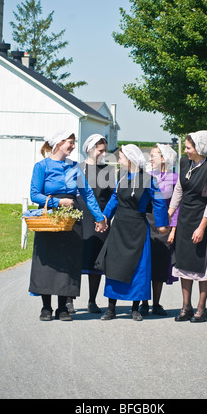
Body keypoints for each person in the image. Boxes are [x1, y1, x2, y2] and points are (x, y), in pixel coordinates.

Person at [28, 130, 107, 321]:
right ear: (58, 144)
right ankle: (46, 307)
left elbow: (87, 193)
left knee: (67, 262)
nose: (72, 146)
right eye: (69, 142)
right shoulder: (42, 166)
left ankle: (63, 307)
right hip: (48, 217)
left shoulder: (74, 167)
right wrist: (58, 202)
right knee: (47, 262)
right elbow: (34, 194)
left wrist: (99, 217)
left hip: (72, 219)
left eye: (73, 143)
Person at [96, 144, 169, 321]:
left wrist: (161, 224)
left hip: (137, 228)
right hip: (119, 228)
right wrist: (104, 218)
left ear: (130, 159)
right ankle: (111, 309)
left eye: (120, 157)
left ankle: (135, 308)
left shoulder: (149, 179)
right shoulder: (121, 178)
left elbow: (159, 200)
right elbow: (114, 200)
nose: (118, 160)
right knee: (115, 266)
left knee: (138, 268)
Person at [168, 130, 207, 323]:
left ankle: (201, 308)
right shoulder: (184, 164)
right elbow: (179, 190)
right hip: (185, 219)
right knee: (184, 263)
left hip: (202, 220)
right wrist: (170, 213)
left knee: (202, 264)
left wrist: (202, 228)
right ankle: (186, 307)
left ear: (200, 148)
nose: (187, 151)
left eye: (189, 148)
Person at [74, 134, 115, 314]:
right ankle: (69, 300)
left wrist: (105, 218)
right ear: (90, 149)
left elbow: (114, 197)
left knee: (96, 261)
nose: (104, 153)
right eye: (101, 150)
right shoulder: (78, 169)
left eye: (105, 150)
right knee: (75, 259)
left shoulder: (108, 171)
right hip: (81, 217)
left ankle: (92, 300)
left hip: (101, 218)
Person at [140, 143, 179, 317]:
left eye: (153, 155)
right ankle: (143, 303)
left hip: (164, 225)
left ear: (163, 158)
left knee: (159, 265)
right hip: (147, 223)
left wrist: (173, 230)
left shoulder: (175, 178)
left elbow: (177, 206)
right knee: (144, 264)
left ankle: (156, 304)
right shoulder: (146, 177)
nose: (150, 158)